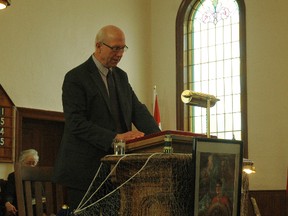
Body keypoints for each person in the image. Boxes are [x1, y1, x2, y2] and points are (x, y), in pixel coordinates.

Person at [52, 25, 161, 211]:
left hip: (117, 173)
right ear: (98, 46)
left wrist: (160, 138)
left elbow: (138, 110)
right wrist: (115, 138)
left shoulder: (121, 77)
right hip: (85, 173)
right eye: (115, 48)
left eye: (123, 48)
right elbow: (75, 123)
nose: (119, 54)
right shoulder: (76, 78)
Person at [4, 149, 39, 216]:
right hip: (18, 209)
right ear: (21, 163)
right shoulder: (13, 176)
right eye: (28, 163)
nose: (31, 166)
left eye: (33, 163)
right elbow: (9, 193)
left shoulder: (38, 177)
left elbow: (42, 197)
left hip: (35, 209)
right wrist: (8, 203)